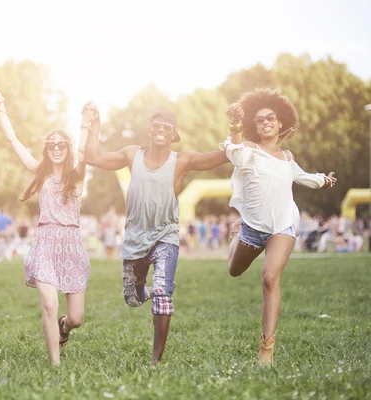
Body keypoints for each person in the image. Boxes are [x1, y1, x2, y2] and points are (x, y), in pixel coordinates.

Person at [86, 106, 229, 365]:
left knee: (164, 296)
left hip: (166, 235)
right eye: (156, 125)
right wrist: (95, 123)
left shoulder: (182, 160)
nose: (161, 130)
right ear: (149, 130)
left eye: (167, 127)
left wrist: (236, 130)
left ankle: (155, 361)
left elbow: (222, 156)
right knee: (132, 298)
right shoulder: (132, 154)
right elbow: (92, 157)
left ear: (173, 134)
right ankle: (152, 290)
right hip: (134, 239)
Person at [222, 88, 337, 366]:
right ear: (255, 126)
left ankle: (267, 348)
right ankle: (237, 232)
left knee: (269, 278)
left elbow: (303, 177)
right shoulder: (249, 149)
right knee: (234, 270)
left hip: (283, 225)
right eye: (259, 120)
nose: (265, 122)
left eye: (270, 118)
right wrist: (236, 126)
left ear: (280, 122)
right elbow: (235, 156)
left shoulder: (287, 157)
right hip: (252, 227)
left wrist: (324, 180)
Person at [0, 97, 93, 366]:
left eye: (60, 144)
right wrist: (2, 111)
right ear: (46, 149)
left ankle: (64, 329)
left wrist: (85, 124)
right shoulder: (40, 172)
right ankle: (55, 364)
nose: (55, 148)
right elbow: (14, 143)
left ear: (67, 148)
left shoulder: (77, 176)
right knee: (50, 306)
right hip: (45, 245)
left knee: (76, 318)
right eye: (50, 144)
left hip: (72, 246)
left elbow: (85, 154)